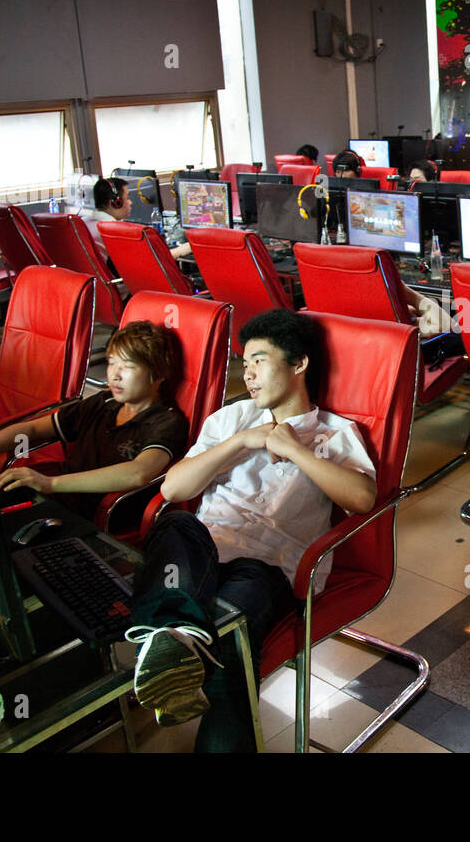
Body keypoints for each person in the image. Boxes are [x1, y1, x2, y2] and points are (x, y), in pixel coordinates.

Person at [125, 310, 377, 751]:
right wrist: (243, 442)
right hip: (199, 552)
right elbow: (174, 487)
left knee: (229, 635)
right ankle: (183, 643)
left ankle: (179, 644)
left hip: (265, 569)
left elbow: (361, 498)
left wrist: (294, 451)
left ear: (298, 364)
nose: (250, 374)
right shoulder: (231, 420)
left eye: (260, 360)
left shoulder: (334, 434)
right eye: (245, 364)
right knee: (178, 522)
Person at [0, 321, 188, 521]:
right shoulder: (103, 403)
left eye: (128, 366)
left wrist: (50, 483)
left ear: (158, 374)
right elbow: (33, 428)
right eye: (112, 362)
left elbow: (139, 473)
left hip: (92, 519)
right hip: (56, 503)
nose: (114, 374)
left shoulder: (166, 421)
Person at [81, 177, 132, 267]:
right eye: (127, 198)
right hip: (108, 279)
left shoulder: (83, 222)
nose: (130, 202)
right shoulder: (113, 231)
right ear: (116, 202)